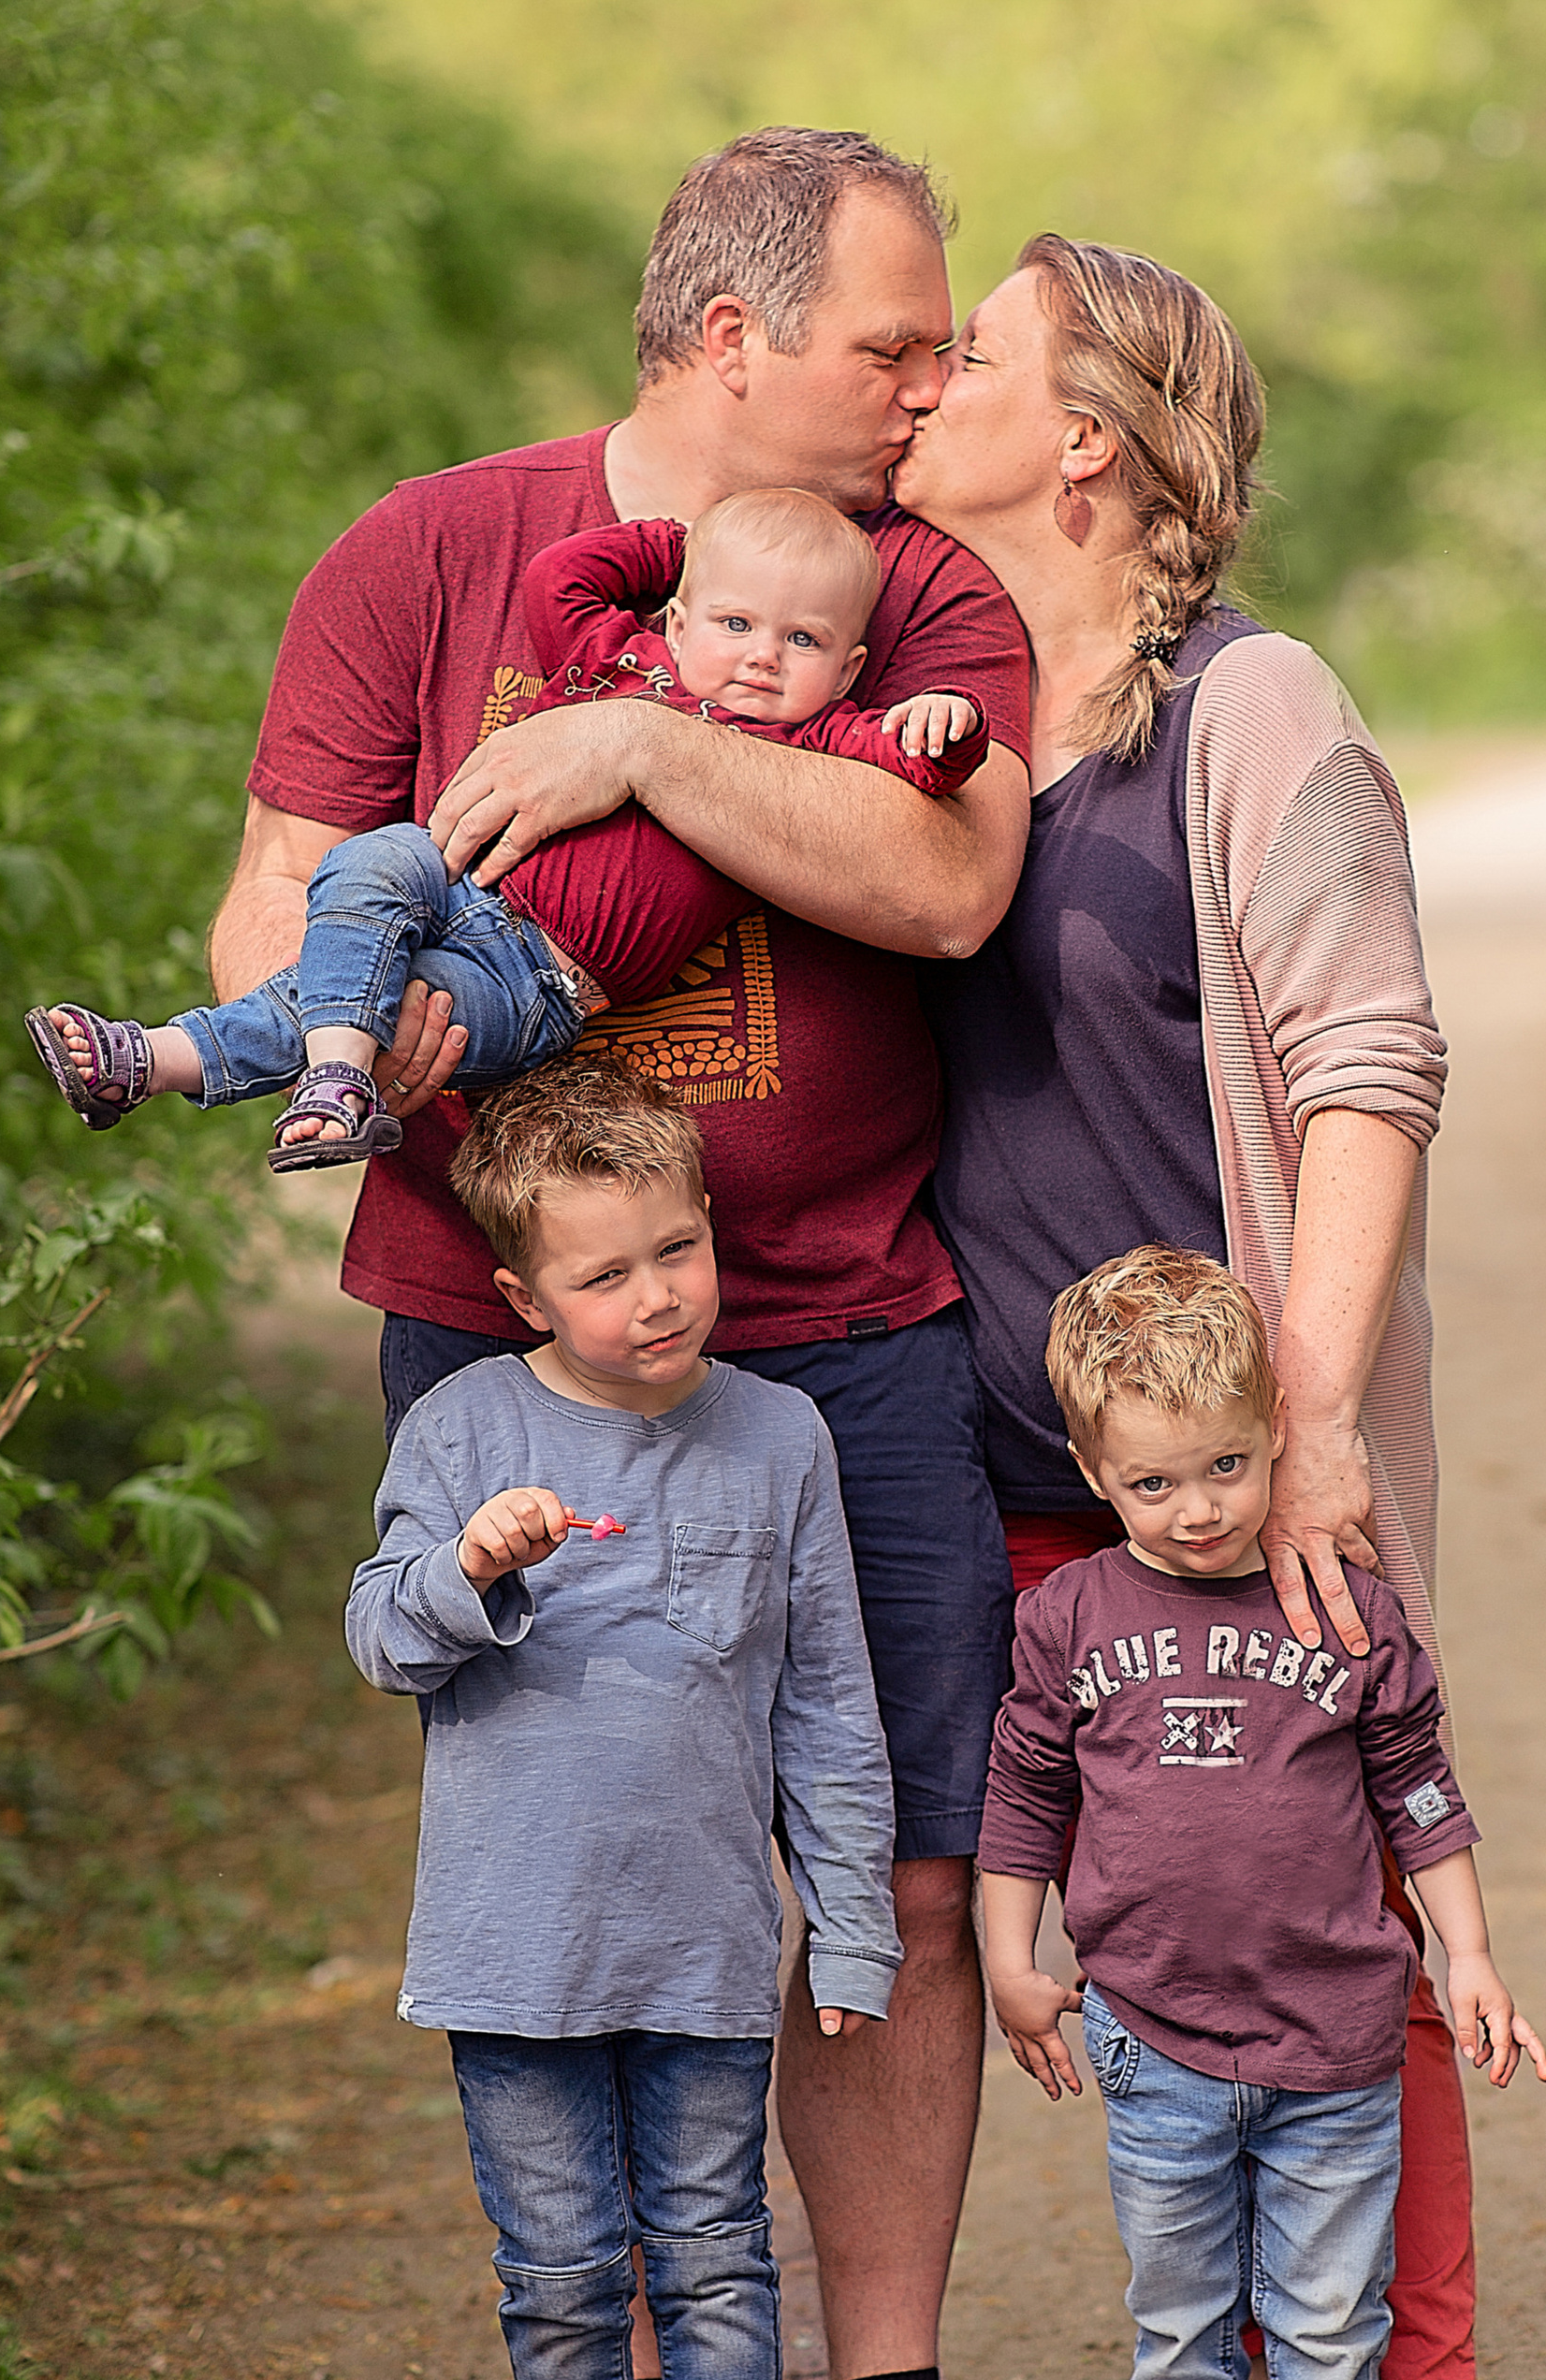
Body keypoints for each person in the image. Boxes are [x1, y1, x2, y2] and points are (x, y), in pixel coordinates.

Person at [207, 127, 1028, 2379]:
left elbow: (946, 878)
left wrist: (635, 740)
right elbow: (275, 887)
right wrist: (344, 1030)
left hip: (850, 1330)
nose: (931, 381)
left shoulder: (912, 583)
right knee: (605, 1872)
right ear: (730, 333)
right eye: (894, 341)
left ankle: (876, 2358)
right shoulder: (428, 547)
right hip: (509, 1354)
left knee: (910, 1885)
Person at [895, 237, 1486, 2372]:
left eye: (963, 352)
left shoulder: (1253, 703)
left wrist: (1310, 1411)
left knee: (1337, 1942)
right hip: (1007, 1482)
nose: (916, 376)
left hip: (1240, 1472)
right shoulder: (933, 723)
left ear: (1078, 439)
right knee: (1079, 1945)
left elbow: (1366, 1066)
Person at [345, 1057, 902, 2378]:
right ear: (521, 1297)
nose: (655, 1297)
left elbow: (827, 1702)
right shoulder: (460, 1430)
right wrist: (468, 1566)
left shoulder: (781, 1439)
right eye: (602, 1279)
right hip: (511, 1951)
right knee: (559, 2281)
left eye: (678, 1250)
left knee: (719, 2258)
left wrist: (855, 1929)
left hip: (704, 1945)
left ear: (713, 1223)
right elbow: (380, 1640)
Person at [24, 490, 982, 1169]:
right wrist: (674, 539)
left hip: (532, 980)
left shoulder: (812, 741)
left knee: (382, 999)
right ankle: (334, 1079)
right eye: (734, 621)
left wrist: (942, 724)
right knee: (371, 860)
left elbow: (916, 770)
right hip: (458, 887)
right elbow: (559, 579)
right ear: (680, 619)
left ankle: (152, 1062)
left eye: (803, 640)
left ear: (849, 667)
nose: (763, 657)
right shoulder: (626, 660)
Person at [980, 1246, 1546, 2380]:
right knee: (1181, 2329)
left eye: (1226, 1465)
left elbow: (1417, 1789)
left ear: (1279, 1427)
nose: (1197, 1510)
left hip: (1336, 2044)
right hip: (1152, 2039)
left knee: (1330, 2330)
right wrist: (1008, 1959)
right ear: (1092, 1470)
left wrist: (1472, 1953)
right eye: (1153, 1484)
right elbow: (1024, 1792)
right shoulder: (1068, 1618)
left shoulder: (1344, 1610)